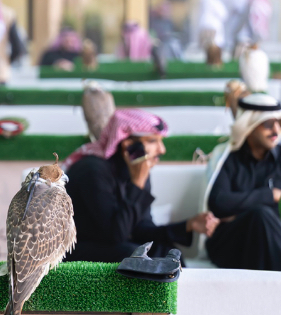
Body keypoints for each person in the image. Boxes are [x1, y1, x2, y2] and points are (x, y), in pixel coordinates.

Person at [63, 108, 218, 263]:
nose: (162, 150)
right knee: (131, 255)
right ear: (128, 146)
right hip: (74, 250)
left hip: (112, 245)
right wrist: (137, 183)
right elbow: (116, 234)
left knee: (167, 252)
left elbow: (142, 230)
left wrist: (188, 225)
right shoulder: (92, 171)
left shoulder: (136, 170)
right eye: (153, 141)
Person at [205, 94, 281, 271]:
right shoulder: (226, 159)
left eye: (280, 123)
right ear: (250, 126)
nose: (276, 130)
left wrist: (237, 211)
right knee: (260, 216)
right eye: (269, 124)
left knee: (261, 219)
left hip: (278, 239)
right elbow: (218, 203)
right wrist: (271, 195)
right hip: (230, 245)